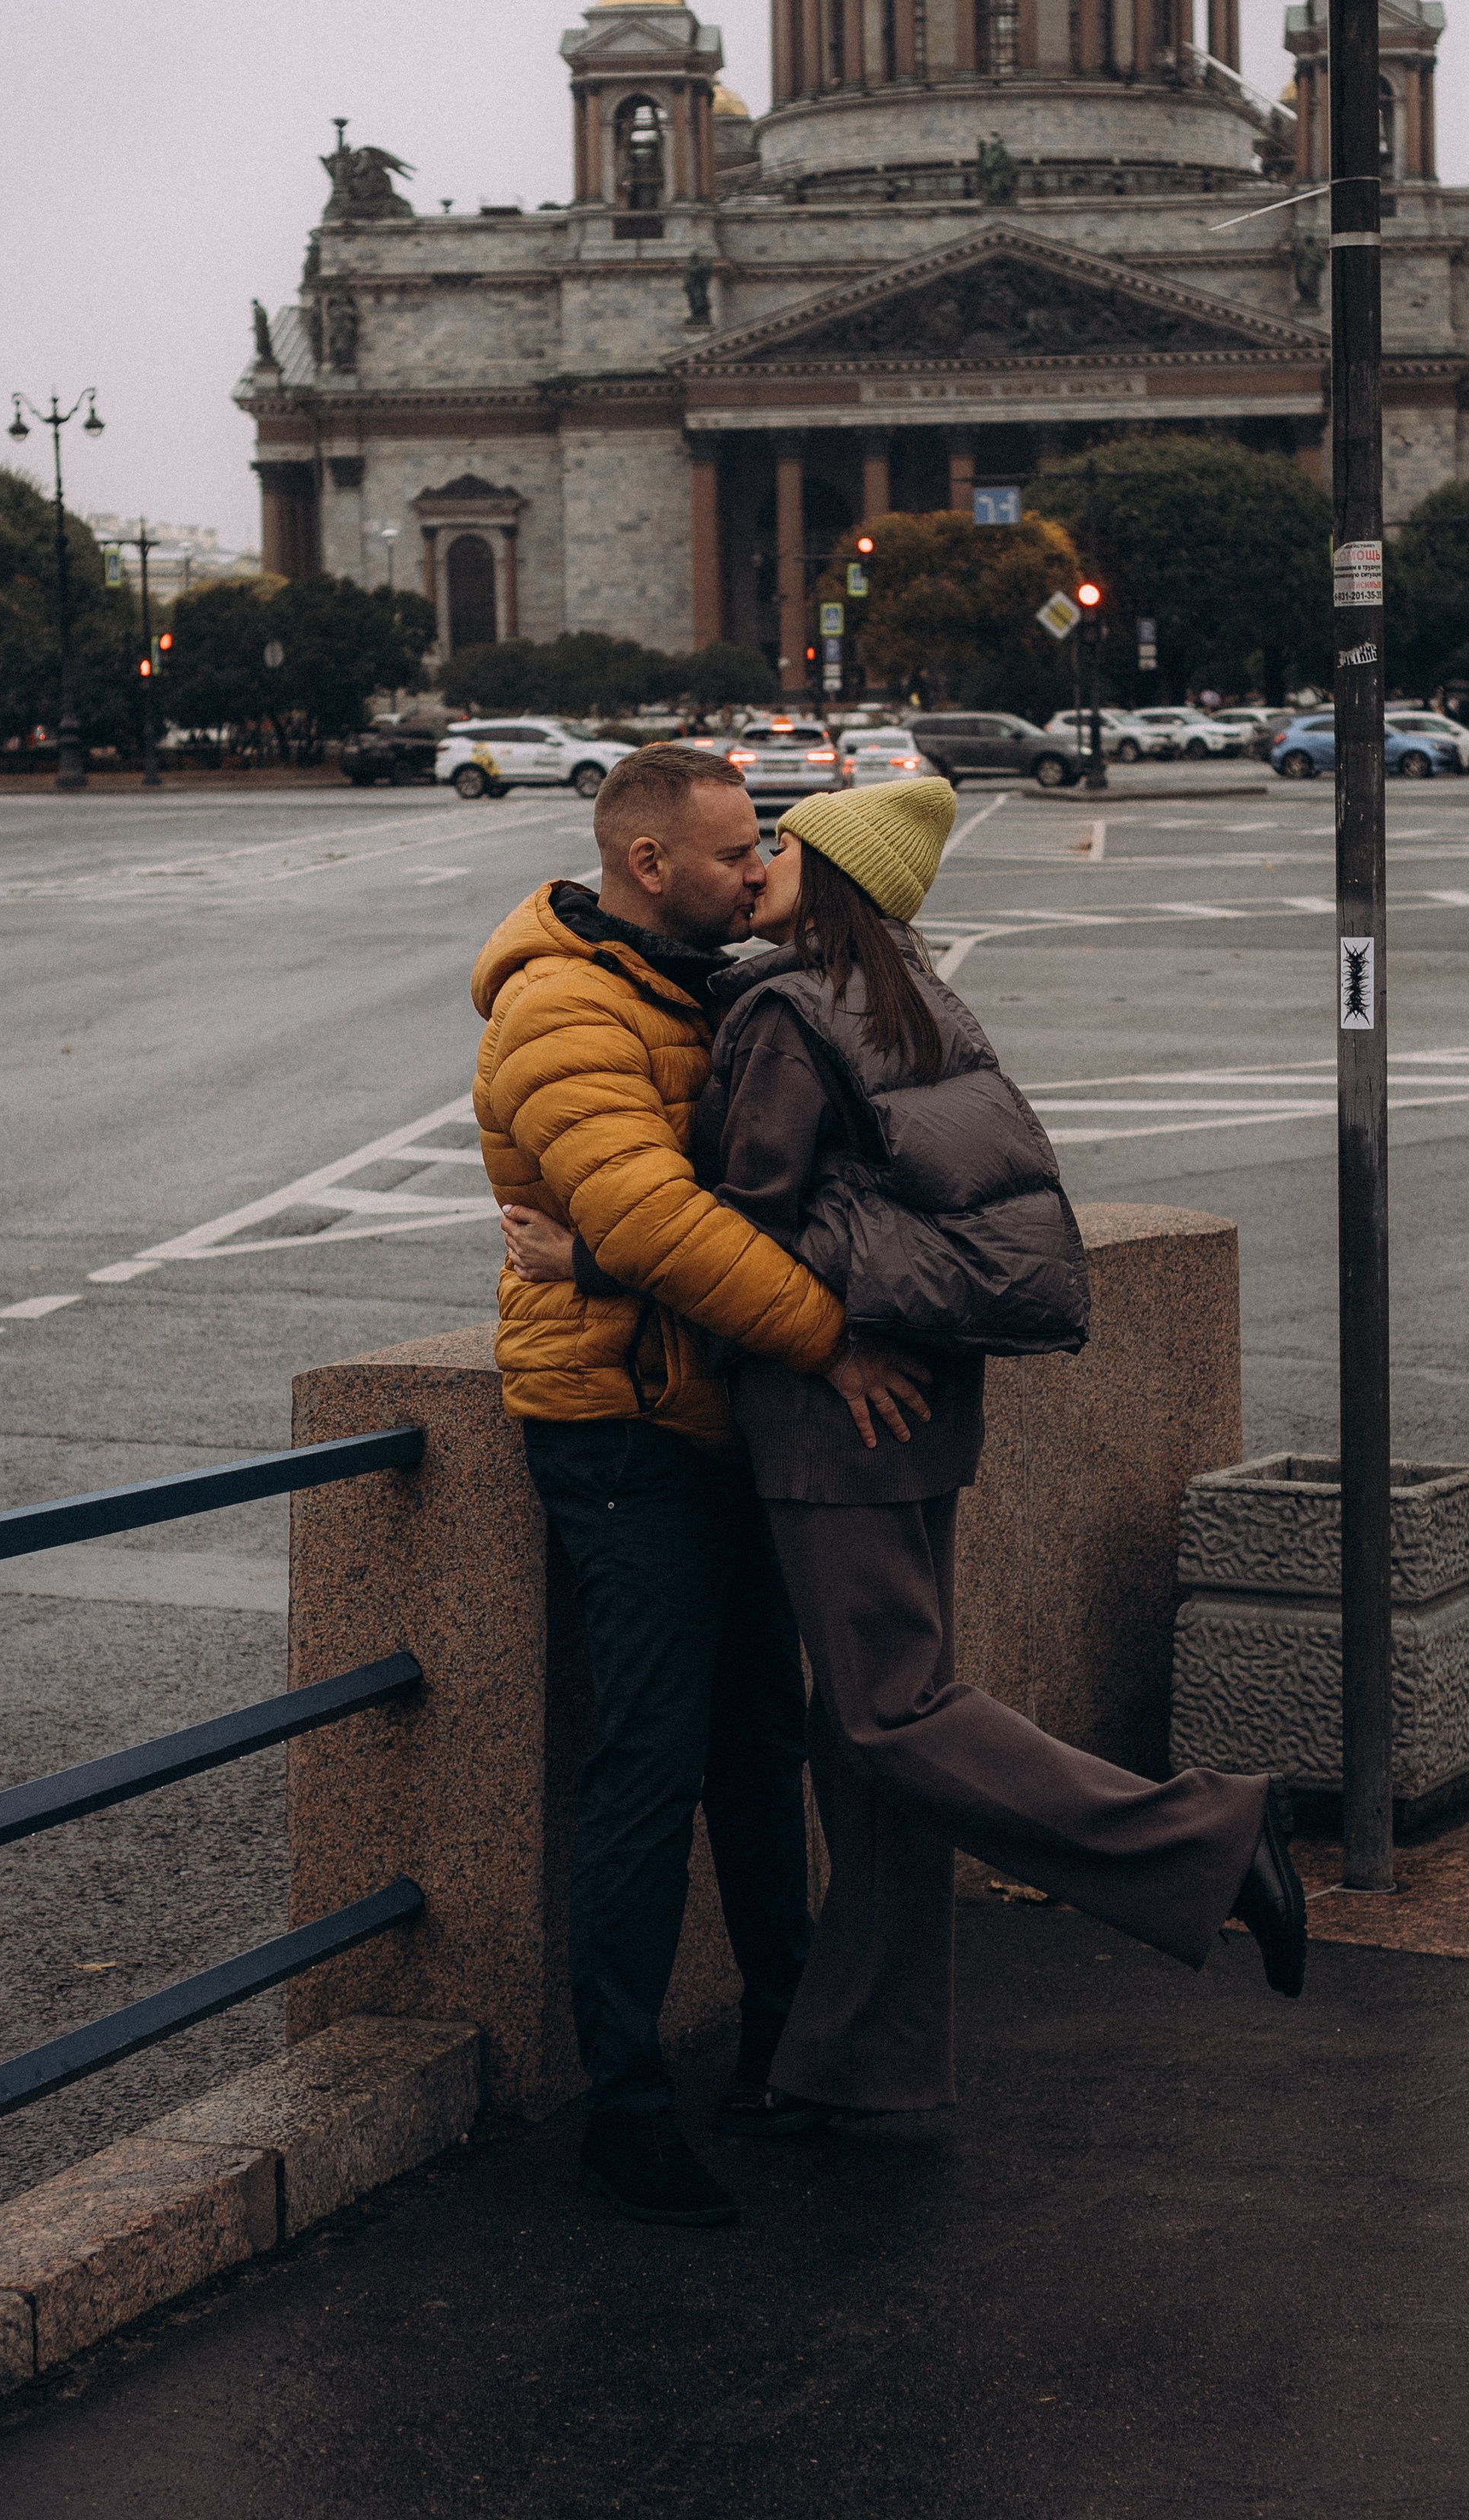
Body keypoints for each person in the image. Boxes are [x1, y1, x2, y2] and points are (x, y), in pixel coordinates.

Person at [506, 773, 1307, 2136]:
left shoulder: (776, 1009)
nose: (762, 861)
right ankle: (861, 2058)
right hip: (935, 1398)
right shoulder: (921, 1000)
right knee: (860, 1742)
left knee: (890, 1714)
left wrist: (591, 1250)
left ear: (835, 877)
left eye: (784, 845)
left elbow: (742, 1227)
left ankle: (1209, 1843)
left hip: (836, 1415)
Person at [473, 744, 926, 2229]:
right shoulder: (559, 1006)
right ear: (650, 863)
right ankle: (625, 2109)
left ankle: (779, 2050)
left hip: (712, 1410)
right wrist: (831, 1345)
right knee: (651, 1763)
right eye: (737, 852)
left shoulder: (698, 983)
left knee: (756, 1751)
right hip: (617, 1430)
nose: (759, 871)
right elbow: (658, 1224)